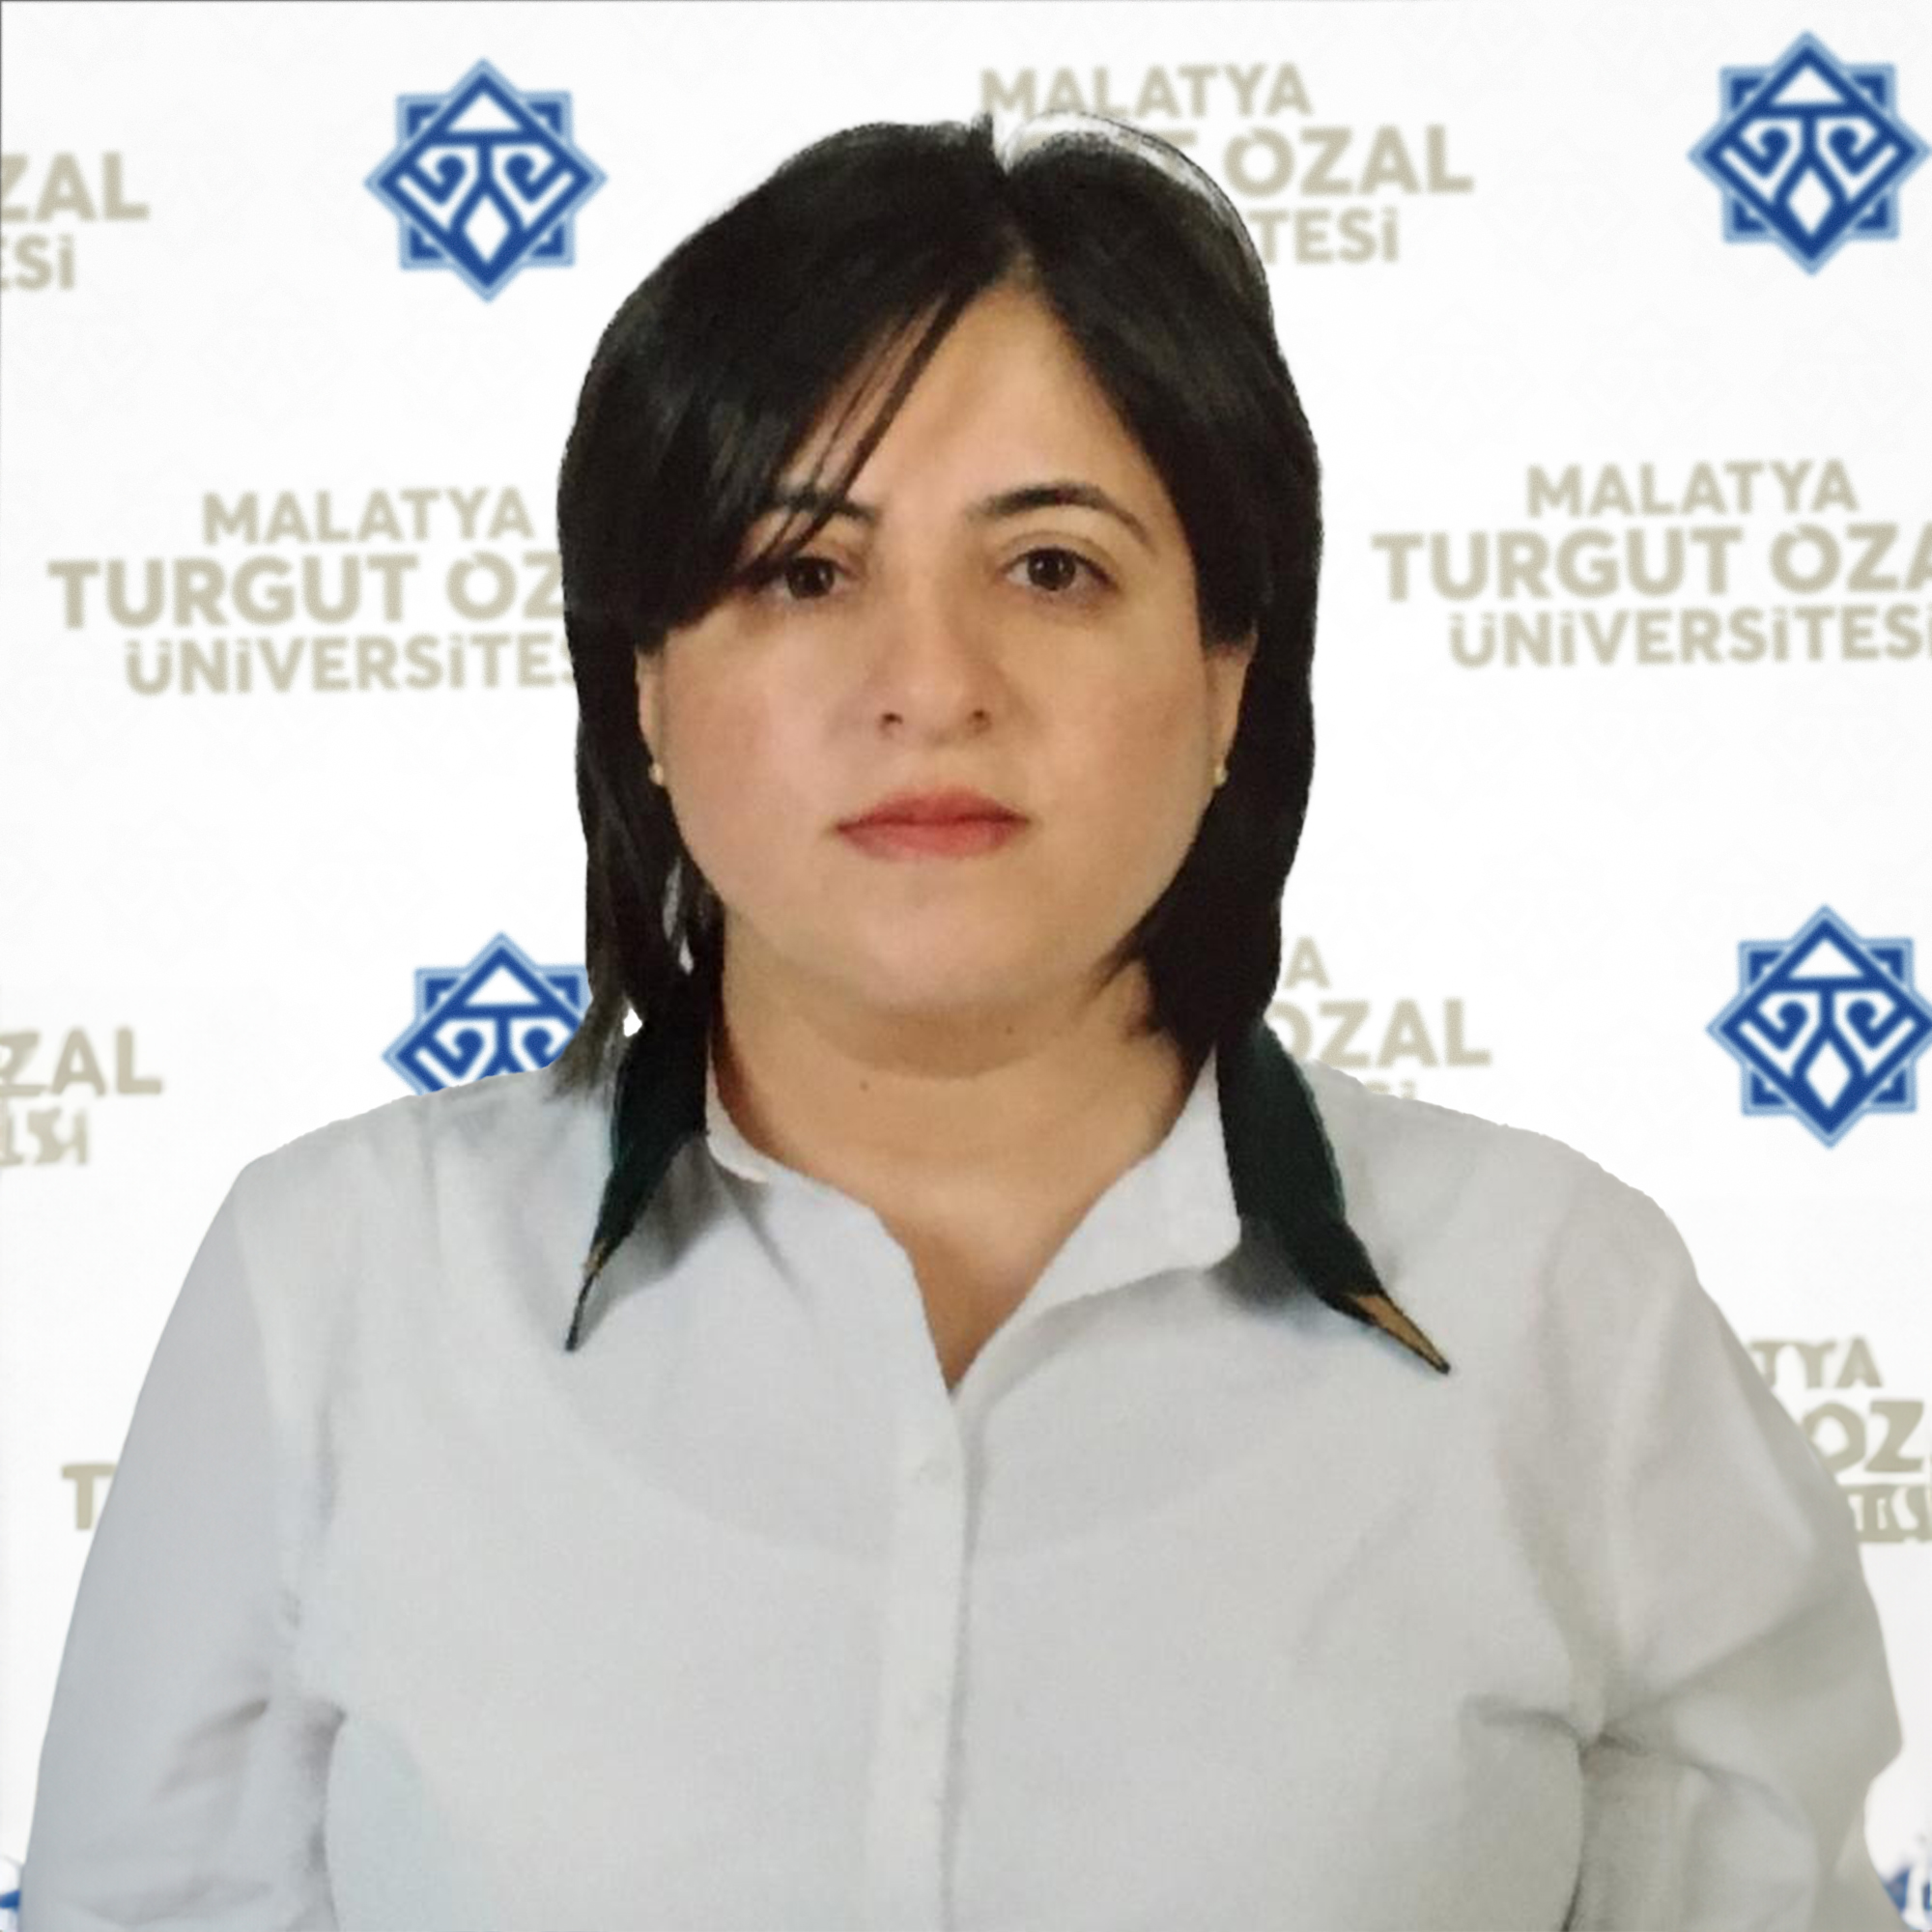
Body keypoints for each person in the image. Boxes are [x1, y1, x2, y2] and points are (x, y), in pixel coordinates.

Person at [22, 112, 1902, 1932]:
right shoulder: (339, 1291)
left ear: (1229, 674)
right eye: (804, 570)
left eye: (1052, 567)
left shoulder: (1564, 1321)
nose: (930, 685)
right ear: (644, 688)